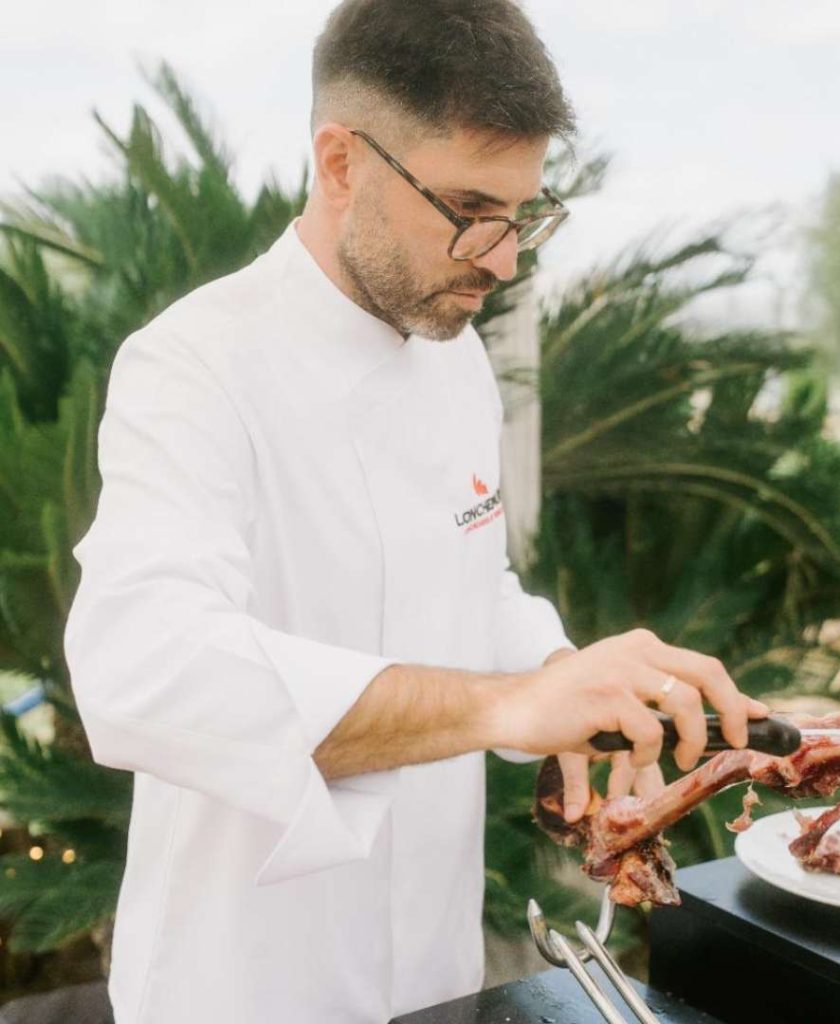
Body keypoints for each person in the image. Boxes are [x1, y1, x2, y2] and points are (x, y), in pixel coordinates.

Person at [64, 1, 768, 1021]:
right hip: (238, 985)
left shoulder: (455, 358)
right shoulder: (192, 364)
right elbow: (144, 670)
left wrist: (562, 672)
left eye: (528, 213)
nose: (504, 258)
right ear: (341, 163)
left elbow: (468, 589)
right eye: (470, 208)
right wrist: (498, 708)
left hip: (436, 979)